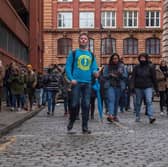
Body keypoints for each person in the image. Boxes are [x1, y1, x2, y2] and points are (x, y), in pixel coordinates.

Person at [65, 32, 99, 134]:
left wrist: (96, 73)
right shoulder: (74, 53)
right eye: (81, 39)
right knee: (74, 104)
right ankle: (72, 119)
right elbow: (67, 67)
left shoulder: (91, 55)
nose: (83, 40)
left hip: (87, 83)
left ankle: (85, 126)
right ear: (79, 41)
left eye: (85, 39)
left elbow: (93, 68)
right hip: (76, 83)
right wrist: (71, 79)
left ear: (88, 41)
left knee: (86, 105)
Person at [131, 53, 158, 123]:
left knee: (149, 101)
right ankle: (137, 116)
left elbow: (154, 78)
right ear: (139, 59)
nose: (142, 59)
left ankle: (151, 116)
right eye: (141, 58)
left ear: (146, 58)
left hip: (148, 86)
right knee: (138, 102)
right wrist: (132, 87)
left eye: (143, 58)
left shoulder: (151, 67)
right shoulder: (136, 67)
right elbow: (133, 78)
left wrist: (156, 88)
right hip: (138, 87)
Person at [103, 53, 124, 122]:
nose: (115, 60)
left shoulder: (121, 66)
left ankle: (115, 116)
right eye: (114, 58)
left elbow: (125, 76)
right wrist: (111, 75)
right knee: (111, 100)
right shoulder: (107, 67)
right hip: (110, 85)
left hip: (118, 86)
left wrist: (119, 74)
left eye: (116, 58)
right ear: (111, 59)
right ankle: (111, 115)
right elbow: (104, 76)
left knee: (116, 101)